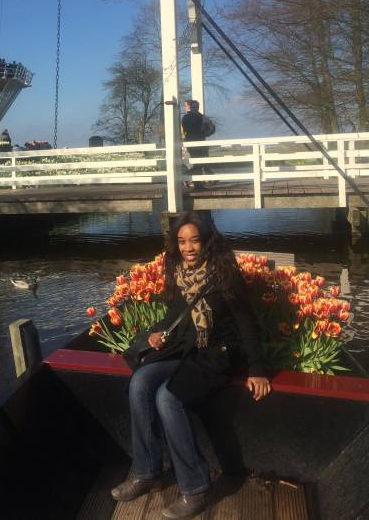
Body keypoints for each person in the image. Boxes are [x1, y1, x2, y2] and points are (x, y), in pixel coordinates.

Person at [111, 211, 271, 519]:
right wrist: (158, 332)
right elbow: (175, 315)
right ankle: (147, 472)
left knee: (167, 397)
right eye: (182, 242)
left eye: (194, 241)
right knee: (141, 381)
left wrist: (258, 369)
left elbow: (247, 323)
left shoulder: (225, 273)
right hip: (184, 348)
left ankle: (196, 487)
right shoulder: (178, 271)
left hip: (217, 353)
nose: (188, 248)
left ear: (207, 240)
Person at [181, 100, 213, 190]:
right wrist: (202, 131)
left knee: (200, 163)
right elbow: (186, 128)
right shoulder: (192, 117)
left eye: (197, 107)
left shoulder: (199, 117)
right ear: (191, 107)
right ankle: (193, 181)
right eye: (194, 107)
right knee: (198, 162)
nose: (195, 108)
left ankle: (192, 180)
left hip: (199, 142)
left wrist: (205, 132)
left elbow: (211, 128)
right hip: (193, 142)